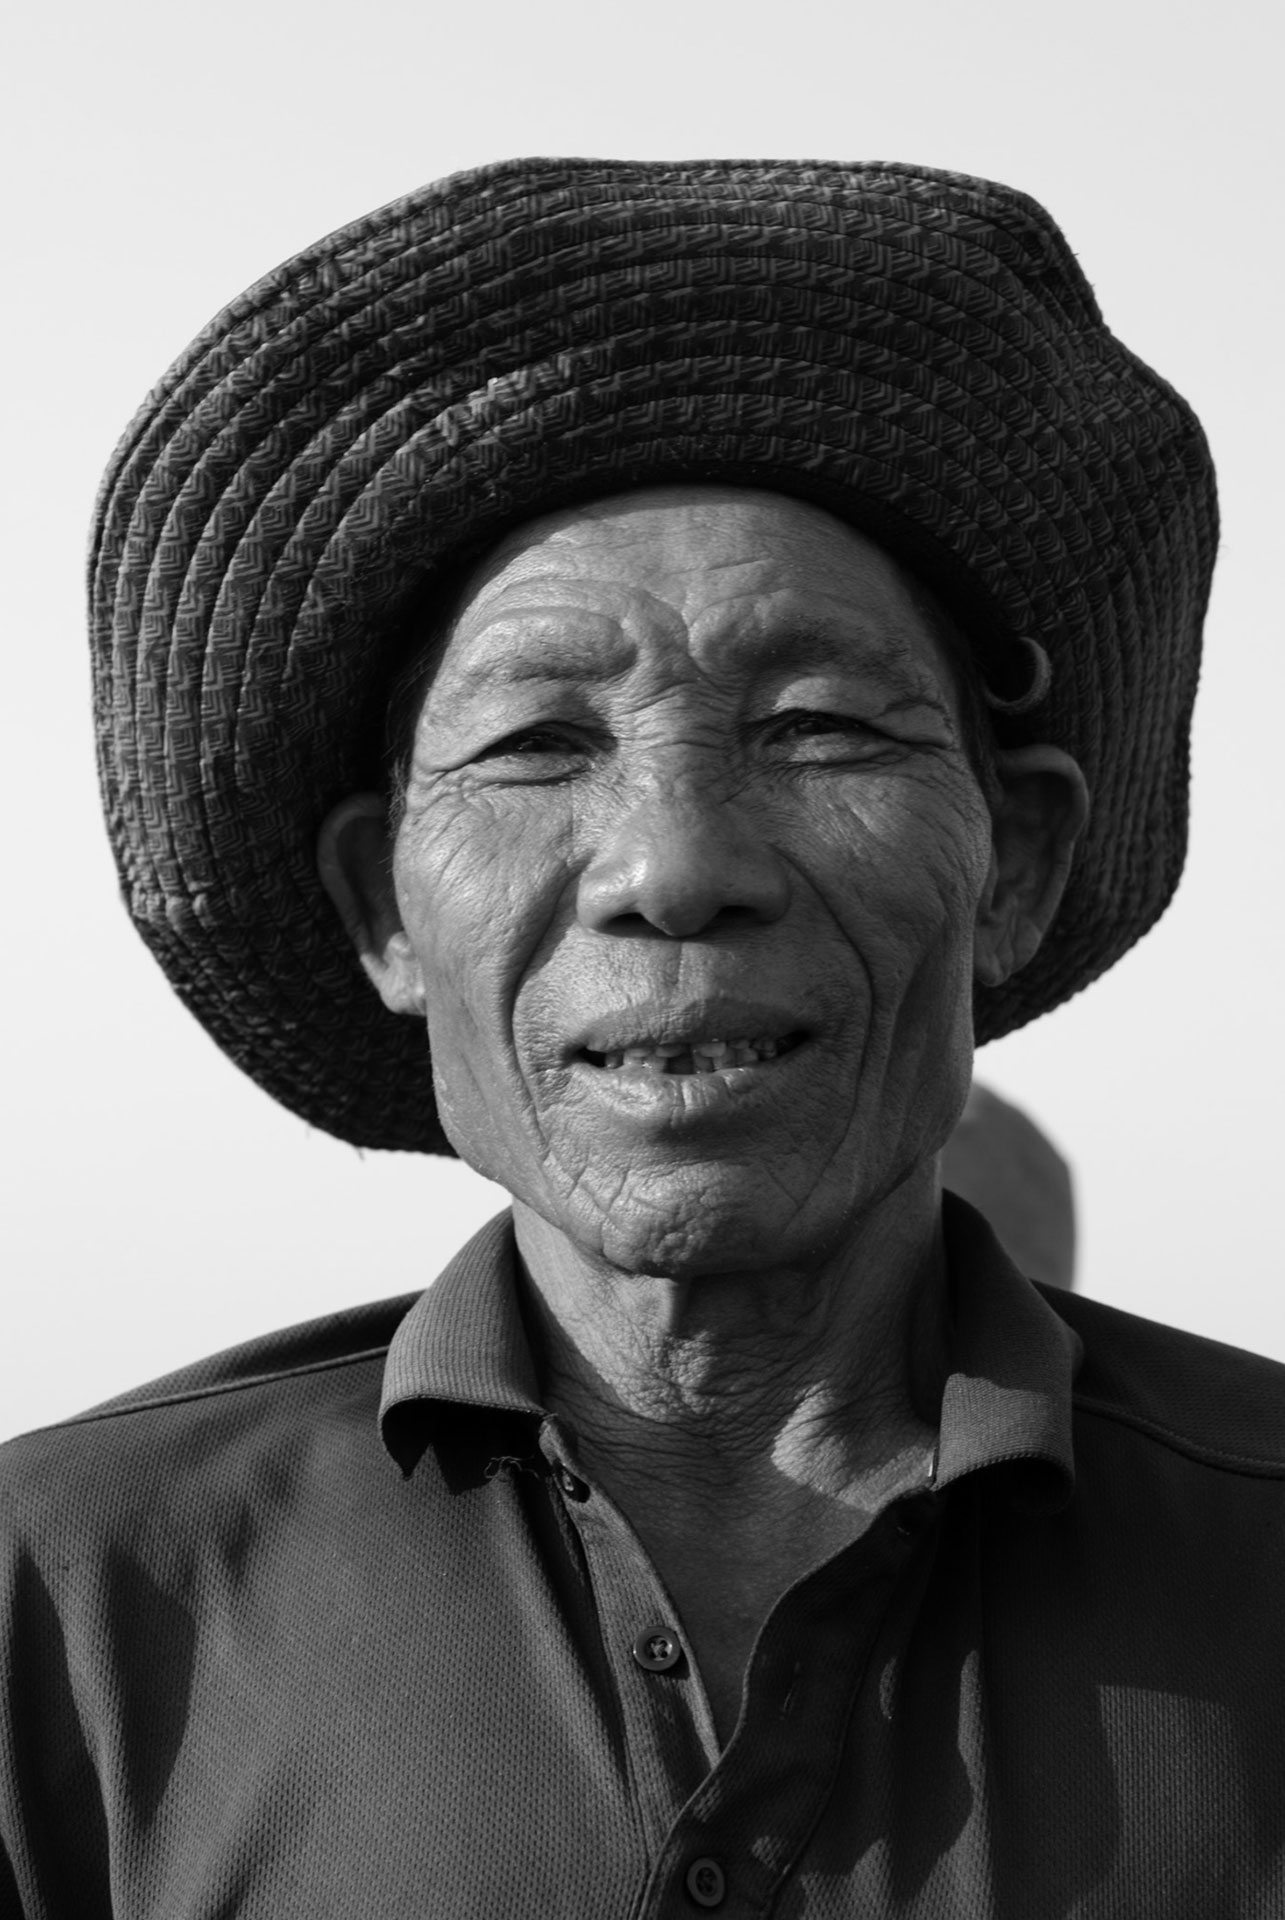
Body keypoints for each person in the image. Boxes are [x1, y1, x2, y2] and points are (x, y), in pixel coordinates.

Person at [1, 159, 1279, 1919]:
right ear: (383, 909)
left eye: (820, 726)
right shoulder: (64, 1605)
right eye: (535, 744)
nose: (675, 870)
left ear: (1019, 865)